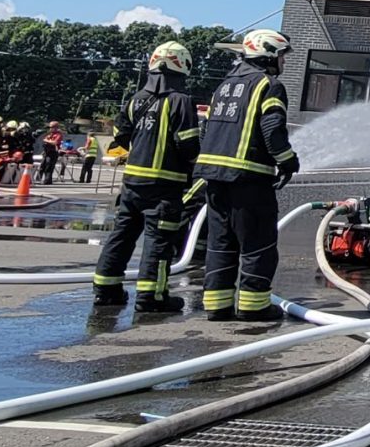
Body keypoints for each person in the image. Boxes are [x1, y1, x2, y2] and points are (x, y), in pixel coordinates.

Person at [195, 29, 300, 323]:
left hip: (214, 179)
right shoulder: (269, 85)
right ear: (268, 55)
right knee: (258, 245)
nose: (283, 62)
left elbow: (207, 130)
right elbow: (272, 131)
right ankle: (253, 307)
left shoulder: (224, 87)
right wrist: (288, 162)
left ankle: (216, 306)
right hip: (249, 179)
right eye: (281, 56)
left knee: (221, 243)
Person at [92, 42, 203, 314]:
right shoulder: (181, 101)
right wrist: (197, 169)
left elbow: (120, 136)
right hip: (165, 185)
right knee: (159, 242)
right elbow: (187, 146)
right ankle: (152, 298)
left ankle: (105, 291)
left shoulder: (136, 99)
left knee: (122, 236)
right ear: (183, 65)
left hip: (131, 182)